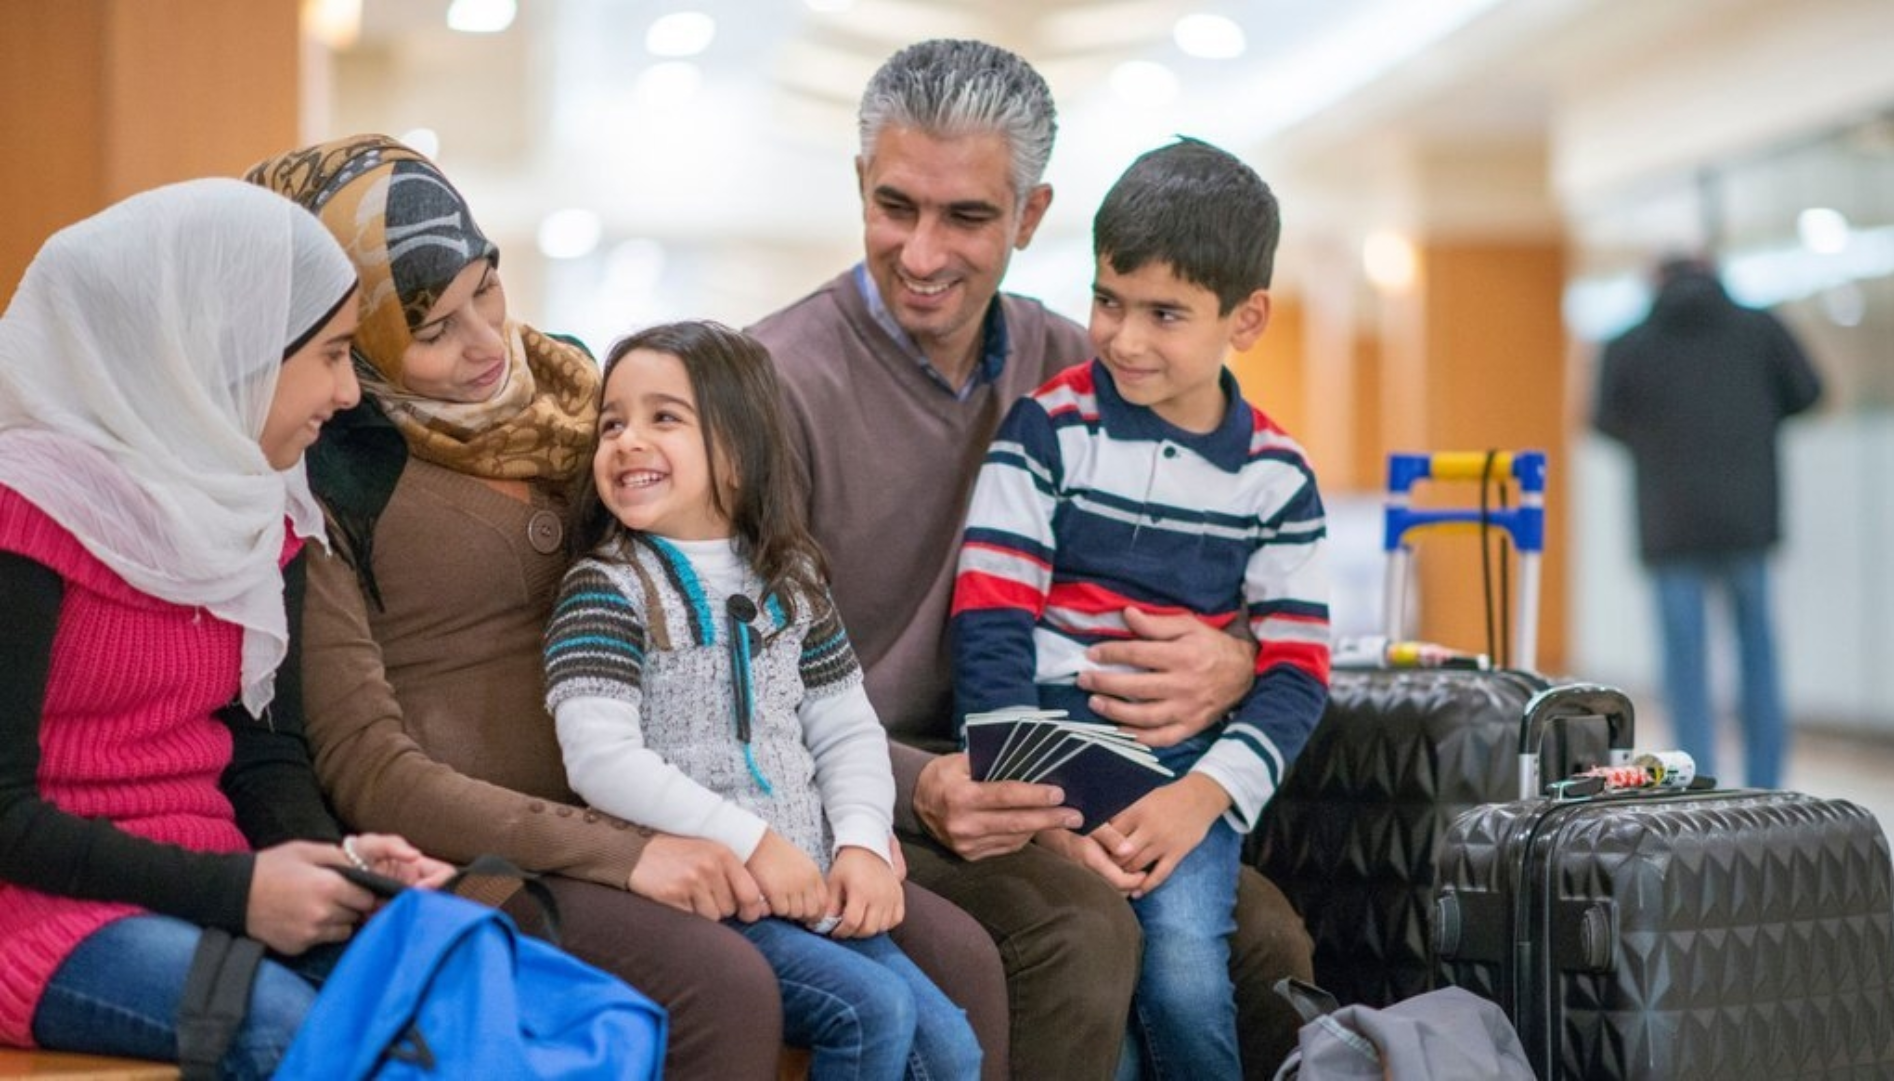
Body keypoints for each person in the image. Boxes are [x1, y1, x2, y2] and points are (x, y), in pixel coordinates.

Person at [247, 134, 1008, 1078]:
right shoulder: (327, 475)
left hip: (694, 797)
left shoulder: (578, 403)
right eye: (432, 329)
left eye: (485, 287)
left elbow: (749, 656)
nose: (487, 345)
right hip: (509, 856)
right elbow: (371, 767)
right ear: (354, 337)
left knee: (966, 956)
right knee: (727, 986)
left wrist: (876, 806)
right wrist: (628, 850)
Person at [749, 39, 1317, 1080]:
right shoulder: (768, 382)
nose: (922, 253)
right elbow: (737, 682)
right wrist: (924, 784)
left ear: (1031, 215)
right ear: (858, 188)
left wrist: (1237, 656)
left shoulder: (1097, 364)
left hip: (1066, 762)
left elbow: (1257, 579)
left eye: (965, 216)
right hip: (856, 785)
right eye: (894, 206)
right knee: (1084, 934)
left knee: (1267, 942)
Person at [0, 178, 448, 1079]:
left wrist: (337, 858)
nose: (349, 392)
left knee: (440, 1000)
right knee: (293, 1033)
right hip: (40, 899)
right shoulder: (25, 509)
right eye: (329, 355)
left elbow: (261, 750)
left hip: (210, 882)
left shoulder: (256, 499)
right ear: (226, 350)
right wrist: (239, 891)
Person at [949, 137, 1331, 1079]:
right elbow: (990, 627)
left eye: (1166, 313)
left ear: (1246, 319)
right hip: (1050, 752)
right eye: (1108, 300)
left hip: (1193, 777)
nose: (1123, 337)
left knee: (1187, 979)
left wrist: (1201, 800)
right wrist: (1039, 807)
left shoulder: (1276, 479)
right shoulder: (1046, 431)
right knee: (1096, 968)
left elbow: (1297, 675)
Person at [546, 321, 982, 1080]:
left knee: (952, 1047)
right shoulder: (607, 588)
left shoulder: (792, 580)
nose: (626, 439)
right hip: (707, 897)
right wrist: (751, 842)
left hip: (810, 887)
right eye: (612, 422)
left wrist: (861, 841)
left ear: (740, 454)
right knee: (869, 1011)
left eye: (663, 417)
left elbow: (847, 729)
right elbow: (599, 758)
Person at [1594, 255, 1823, 789]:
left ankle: (1695, 780)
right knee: (1757, 653)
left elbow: (1604, 418)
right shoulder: (1761, 329)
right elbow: (1810, 392)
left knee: (1685, 665)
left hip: (1670, 521)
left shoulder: (1630, 343)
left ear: (1656, 281)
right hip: (1748, 517)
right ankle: (1766, 782)